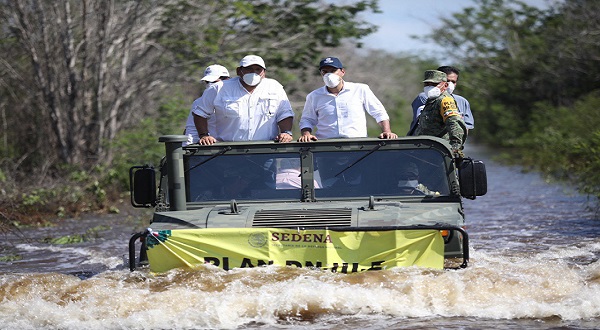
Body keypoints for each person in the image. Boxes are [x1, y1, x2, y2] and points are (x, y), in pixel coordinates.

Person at [192, 55, 294, 145]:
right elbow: (200, 113)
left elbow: (285, 113)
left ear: (264, 73)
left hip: (265, 151)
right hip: (227, 151)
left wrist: (286, 132)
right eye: (249, 69)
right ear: (239, 71)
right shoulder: (219, 88)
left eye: (258, 69)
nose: (254, 73)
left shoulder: (274, 87)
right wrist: (204, 135)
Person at [298, 57, 398, 142]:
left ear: (342, 72)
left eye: (333, 71)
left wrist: (387, 131)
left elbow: (379, 112)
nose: (329, 75)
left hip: (356, 144)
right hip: (325, 146)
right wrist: (306, 134)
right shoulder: (314, 96)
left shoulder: (360, 89)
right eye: (325, 72)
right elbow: (307, 119)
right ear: (321, 74)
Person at [408, 66, 474, 136]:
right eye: (447, 80)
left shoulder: (462, 101)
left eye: (453, 82)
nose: (450, 84)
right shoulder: (425, 97)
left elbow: (465, 128)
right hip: (424, 142)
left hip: (447, 145)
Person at [413, 70, 466, 155]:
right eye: (427, 84)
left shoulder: (445, 100)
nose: (429, 87)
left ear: (445, 85)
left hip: (437, 151)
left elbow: (454, 123)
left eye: (434, 84)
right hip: (424, 149)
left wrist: (454, 148)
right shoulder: (431, 100)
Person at [183, 64, 230, 146]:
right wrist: (187, 151)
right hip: (212, 149)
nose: (210, 84)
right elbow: (192, 130)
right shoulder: (198, 103)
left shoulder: (239, 99)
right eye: (207, 82)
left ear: (226, 79)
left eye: (214, 81)